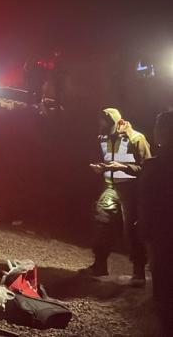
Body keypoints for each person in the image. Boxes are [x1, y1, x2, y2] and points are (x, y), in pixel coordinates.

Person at [83, 107, 152, 285]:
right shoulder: (102, 138)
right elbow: (106, 160)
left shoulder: (137, 138)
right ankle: (99, 266)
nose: (100, 124)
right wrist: (101, 168)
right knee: (101, 224)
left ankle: (138, 274)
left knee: (132, 231)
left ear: (114, 123)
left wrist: (121, 167)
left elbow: (148, 168)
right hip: (110, 187)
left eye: (104, 122)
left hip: (132, 191)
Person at [139, 111, 173, 335]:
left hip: (162, 232)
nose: (155, 131)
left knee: (163, 281)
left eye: (159, 126)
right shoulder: (155, 163)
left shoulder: (157, 165)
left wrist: (144, 228)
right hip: (159, 230)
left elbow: (149, 200)